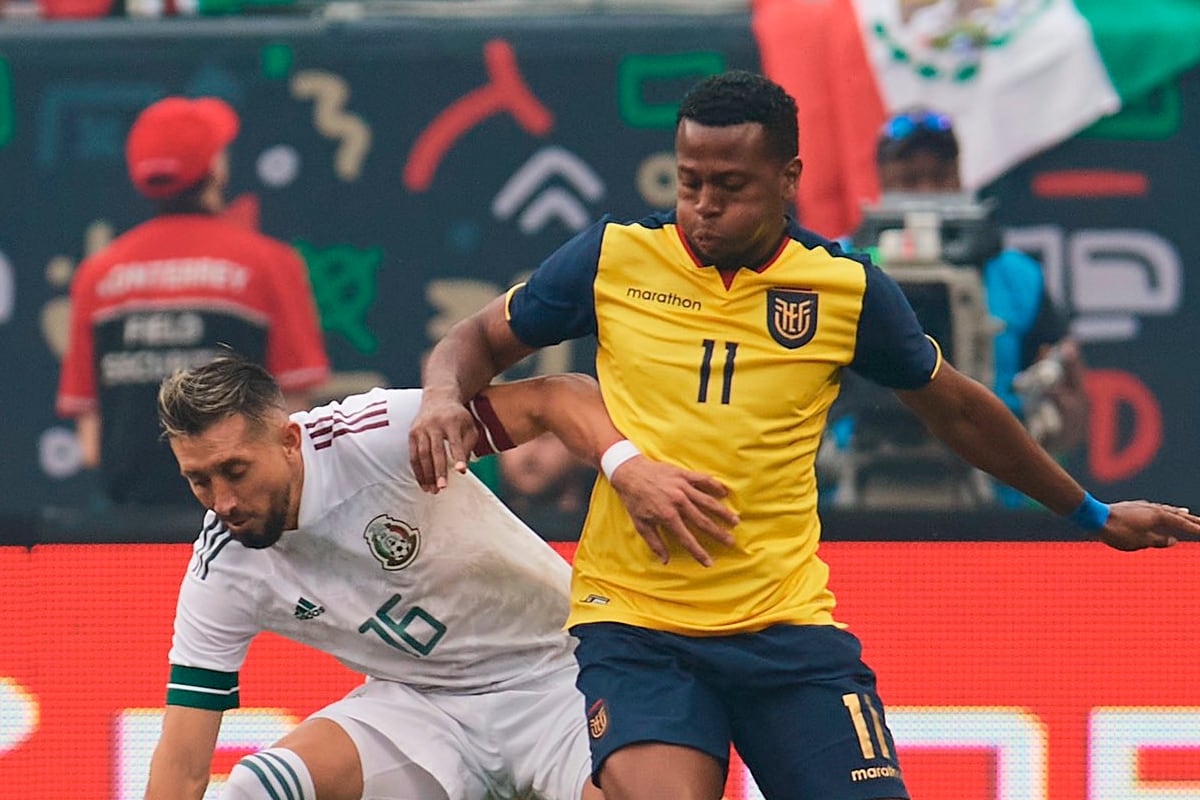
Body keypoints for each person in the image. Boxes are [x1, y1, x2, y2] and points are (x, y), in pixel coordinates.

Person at [407, 69, 1200, 800]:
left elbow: (958, 409)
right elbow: (477, 338)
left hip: (786, 631)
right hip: (640, 629)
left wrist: (1091, 512)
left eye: (730, 186)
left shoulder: (844, 288)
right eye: (689, 181)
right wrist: (443, 394)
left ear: (788, 178)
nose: (704, 204)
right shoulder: (614, 257)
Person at [147, 352, 709, 800]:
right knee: (256, 789)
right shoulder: (222, 569)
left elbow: (555, 398)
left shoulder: (377, 435)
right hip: (421, 709)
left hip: (558, 674)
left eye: (236, 470)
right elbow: (182, 767)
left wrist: (626, 468)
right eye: (199, 480)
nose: (223, 501)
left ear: (289, 440)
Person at [56, 96, 329, 508]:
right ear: (216, 167)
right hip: (243, 518)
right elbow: (293, 418)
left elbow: (91, 443)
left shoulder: (98, 273)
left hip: (128, 524)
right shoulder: (270, 264)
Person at [873, 108, 1089, 465]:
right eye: (910, 179)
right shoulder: (839, 266)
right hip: (862, 470)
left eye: (940, 177)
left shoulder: (1017, 275)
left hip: (989, 470)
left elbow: (1066, 407)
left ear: (959, 175)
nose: (927, 192)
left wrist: (1064, 407)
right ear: (882, 179)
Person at [498, 431, 596, 540]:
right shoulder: (488, 528)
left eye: (546, 438)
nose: (529, 452)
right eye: (516, 438)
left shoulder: (599, 532)